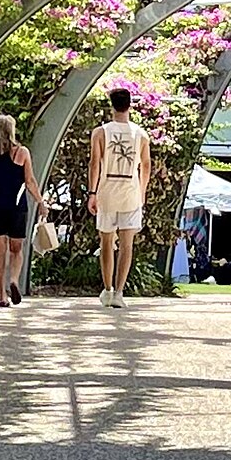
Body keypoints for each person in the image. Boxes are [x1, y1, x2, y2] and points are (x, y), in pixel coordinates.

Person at [89, 86, 153, 307]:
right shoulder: (140, 134)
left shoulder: (100, 132)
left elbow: (94, 163)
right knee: (127, 245)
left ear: (111, 105)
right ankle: (118, 292)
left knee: (107, 242)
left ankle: (107, 289)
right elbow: (146, 165)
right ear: (130, 104)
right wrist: (142, 191)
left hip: (106, 192)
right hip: (131, 193)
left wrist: (92, 192)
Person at [0, 112, 33, 307]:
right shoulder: (21, 152)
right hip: (16, 205)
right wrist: (41, 202)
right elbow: (29, 180)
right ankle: (13, 279)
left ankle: (2, 297)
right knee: (16, 249)